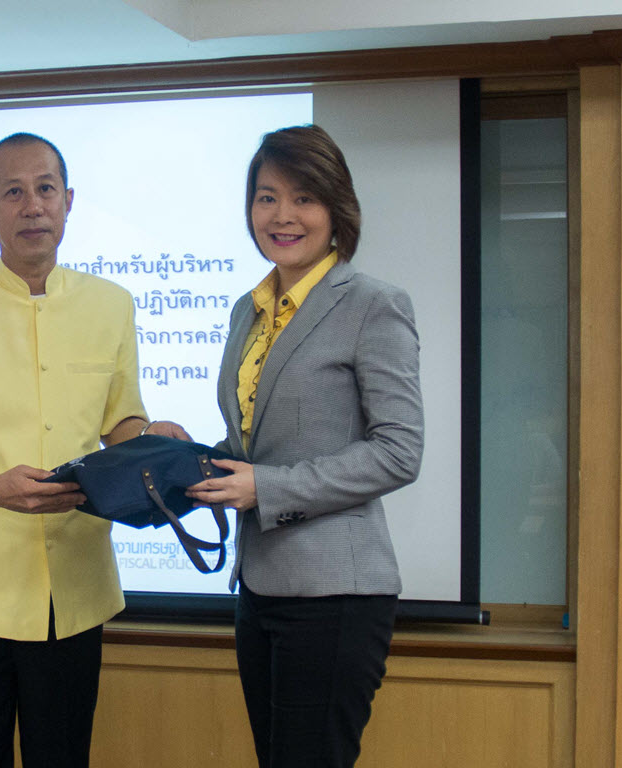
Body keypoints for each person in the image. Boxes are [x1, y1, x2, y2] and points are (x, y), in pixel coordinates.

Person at [0, 132, 187, 768]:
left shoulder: (110, 304)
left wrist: (152, 440)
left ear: (68, 201)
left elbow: (120, 423)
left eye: (45, 189)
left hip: (75, 586)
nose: (32, 205)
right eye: (13, 192)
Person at [186, 125, 424, 768]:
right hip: (260, 587)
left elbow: (399, 450)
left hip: (335, 595)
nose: (282, 215)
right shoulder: (247, 311)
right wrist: (188, 456)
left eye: (304, 198)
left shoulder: (373, 305)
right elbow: (258, 443)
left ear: (336, 209)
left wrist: (265, 488)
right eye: (267, 197)